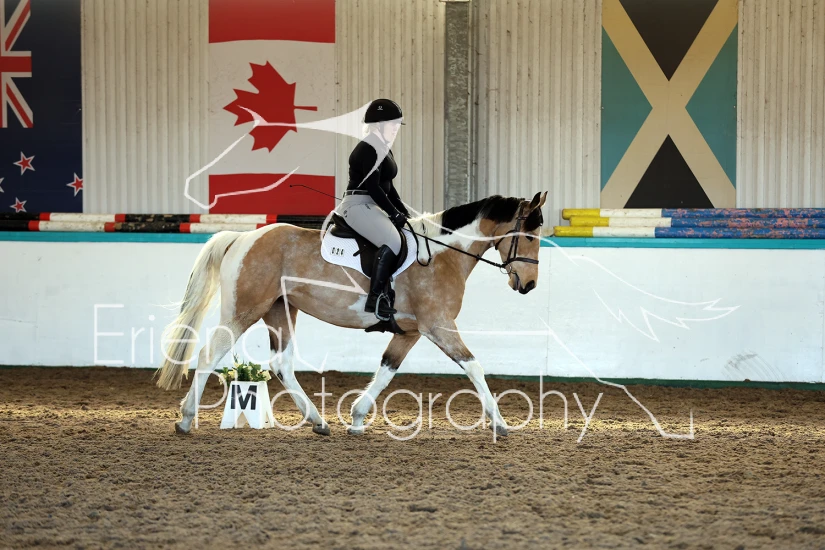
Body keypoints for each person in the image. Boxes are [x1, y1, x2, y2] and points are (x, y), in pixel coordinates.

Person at [337, 98, 409, 322]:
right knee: (393, 241)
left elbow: (389, 188)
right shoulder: (368, 147)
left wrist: (403, 212)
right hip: (358, 205)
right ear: (378, 124)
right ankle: (376, 298)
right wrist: (393, 213)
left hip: (371, 204)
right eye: (392, 124)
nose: (396, 128)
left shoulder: (385, 148)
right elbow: (373, 187)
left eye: (397, 124)